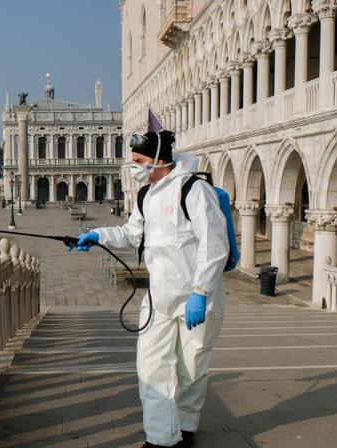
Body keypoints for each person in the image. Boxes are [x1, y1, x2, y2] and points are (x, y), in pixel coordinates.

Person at [74, 130, 229, 448]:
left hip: (196, 298)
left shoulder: (195, 190)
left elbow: (215, 245)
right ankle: (160, 438)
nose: (134, 168)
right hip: (158, 297)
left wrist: (200, 292)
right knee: (151, 367)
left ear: (159, 160)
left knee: (191, 368)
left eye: (139, 162)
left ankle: (185, 427)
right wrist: (98, 236)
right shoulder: (146, 195)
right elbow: (132, 233)